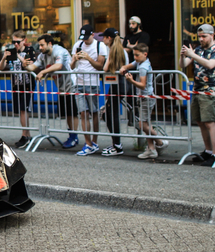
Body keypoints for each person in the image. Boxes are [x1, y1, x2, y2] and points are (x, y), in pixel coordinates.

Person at [24, 34, 79, 148]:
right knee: (66, 113)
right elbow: (32, 67)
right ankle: (72, 135)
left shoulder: (60, 51)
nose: (40, 48)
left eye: (42, 45)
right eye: (39, 45)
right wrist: (25, 65)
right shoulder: (43, 56)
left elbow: (58, 66)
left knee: (71, 112)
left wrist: (43, 72)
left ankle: (74, 137)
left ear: (50, 44)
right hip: (61, 87)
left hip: (71, 84)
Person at [120, 43, 168, 159]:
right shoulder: (141, 61)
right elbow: (130, 65)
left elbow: (142, 85)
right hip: (144, 97)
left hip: (146, 97)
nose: (135, 58)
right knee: (146, 123)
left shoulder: (143, 67)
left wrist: (131, 80)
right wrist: (124, 67)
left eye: (137, 55)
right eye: (134, 55)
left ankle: (160, 142)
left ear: (144, 54)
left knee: (142, 124)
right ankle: (151, 148)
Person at [179, 23, 215, 167]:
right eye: (199, 36)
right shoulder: (198, 49)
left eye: (204, 36)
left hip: (210, 90)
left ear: (212, 35)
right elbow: (183, 65)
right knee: (200, 121)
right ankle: (207, 150)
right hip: (197, 89)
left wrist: (192, 54)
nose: (201, 39)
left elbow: (210, 65)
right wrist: (184, 55)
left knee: (209, 122)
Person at [71, 24, 107, 156]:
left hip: (93, 83)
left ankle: (94, 141)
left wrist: (88, 58)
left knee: (95, 113)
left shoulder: (100, 46)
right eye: (83, 38)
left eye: (87, 37)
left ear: (92, 35)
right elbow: (71, 65)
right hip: (79, 83)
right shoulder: (78, 45)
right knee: (83, 113)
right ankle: (88, 144)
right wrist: (74, 59)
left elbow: (100, 66)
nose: (85, 40)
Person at [0, 30, 37, 148]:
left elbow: (28, 66)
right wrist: (4, 57)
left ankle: (25, 135)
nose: (15, 44)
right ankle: (26, 134)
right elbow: (1, 68)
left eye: (18, 42)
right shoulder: (11, 52)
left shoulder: (29, 51)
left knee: (24, 110)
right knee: (20, 110)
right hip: (16, 84)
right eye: (13, 42)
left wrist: (19, 56)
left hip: (27, 84)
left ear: (24, 41)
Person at [101, 28, 129, 157]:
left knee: (111, 115)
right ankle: (116, 143)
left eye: (104, 37)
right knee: (111, 114)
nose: (102, 39)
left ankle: (117, 145)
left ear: (109, 38)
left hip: (117, 85)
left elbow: (105, 68)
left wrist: (108, 60)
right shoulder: (122, 51)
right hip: (119, 85)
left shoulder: (113, 51)